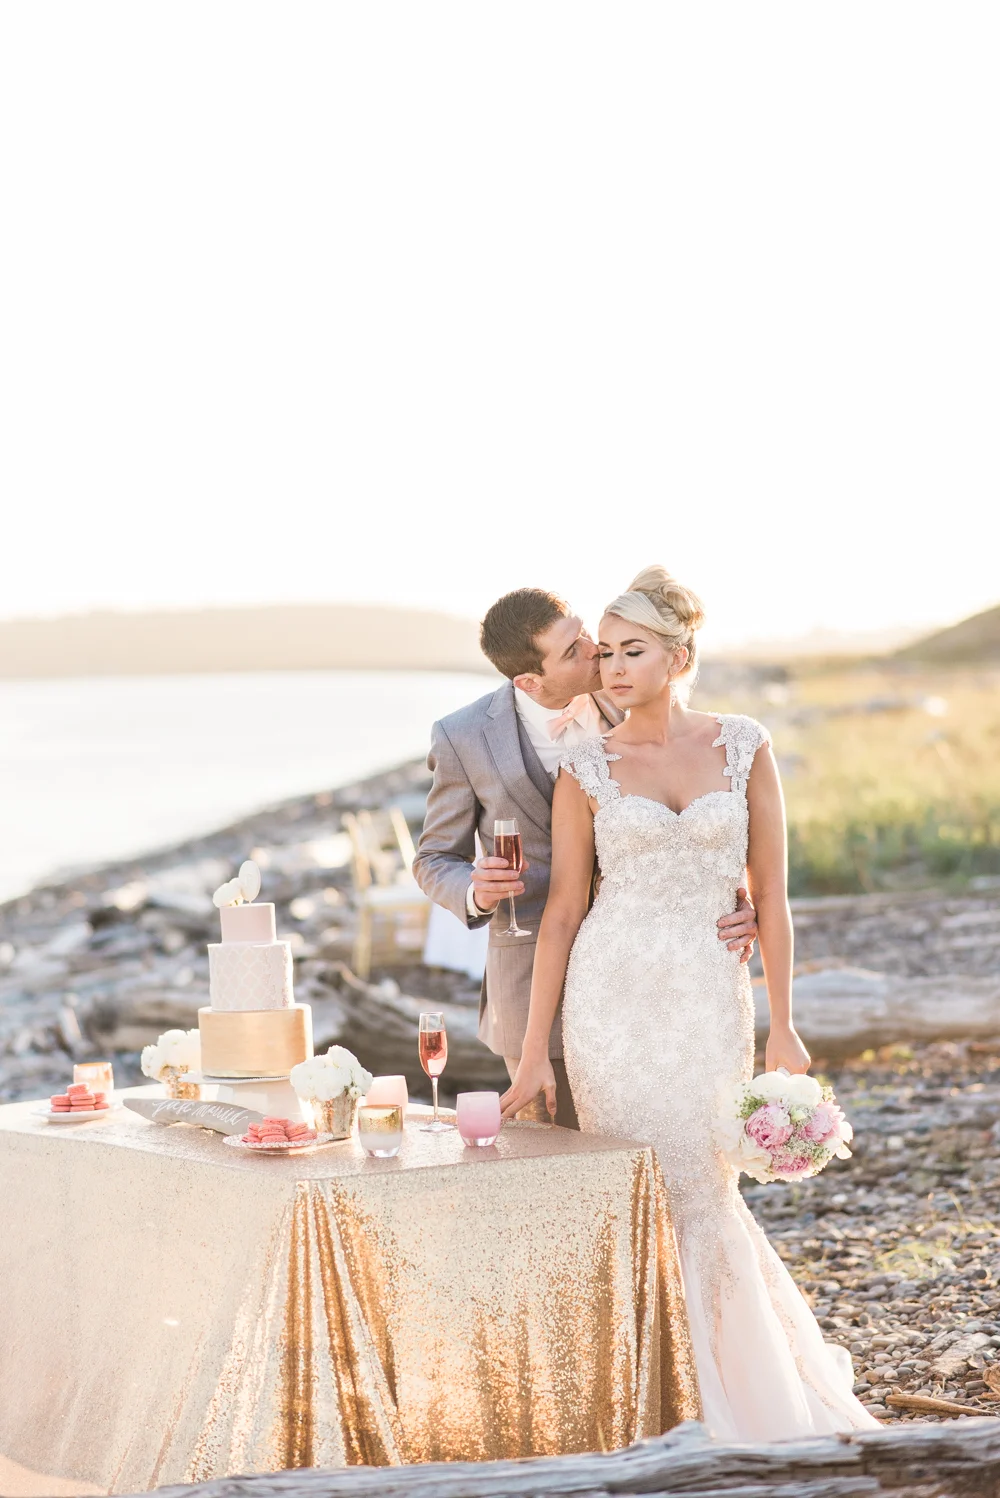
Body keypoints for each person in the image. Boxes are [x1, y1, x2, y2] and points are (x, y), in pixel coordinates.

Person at [500, 566, 877, 1441]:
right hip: (612, 1003)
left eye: (633, 651)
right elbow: (560, 917)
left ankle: (739, 1397)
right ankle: (651, 1408)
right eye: (605, 654)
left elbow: (772, 896)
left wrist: (784, 1023)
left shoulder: (743, 744)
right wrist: (529, 1055)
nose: (613, 668)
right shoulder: (583, 764)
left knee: (706, 1189)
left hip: (709, 999)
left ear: (679, 655)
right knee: (643, 1191)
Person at [412, 586, 759, 1128]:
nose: (597, 651)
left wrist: (739, 896)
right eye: (574, 651)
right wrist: (475, 889)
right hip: (532, 976)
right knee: (564, 1159)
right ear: (530, 681)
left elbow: (707, 811)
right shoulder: (463, 738)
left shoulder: (634, 689)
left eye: (584, 635)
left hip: (666, 971)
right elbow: (433, 858)